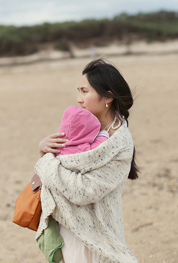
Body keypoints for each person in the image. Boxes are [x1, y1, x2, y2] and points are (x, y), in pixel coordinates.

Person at [36, 58, 139, 263]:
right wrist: (45, 149)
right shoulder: (83, 128)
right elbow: (63, 158)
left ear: (107, 97)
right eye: (79, 91)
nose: (79, 99)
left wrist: (45, 163)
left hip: (98, 234)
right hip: (69, 227)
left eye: (85, 91)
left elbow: (84, 190)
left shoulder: (119, 143)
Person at [37, 105, 110, 262]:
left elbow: (44, 169)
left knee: (70, 253)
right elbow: (102, 142)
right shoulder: (86, 149)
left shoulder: (56, 150)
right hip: (83, 216)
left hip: (62, 215)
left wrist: (42, 149)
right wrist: (103, 133)